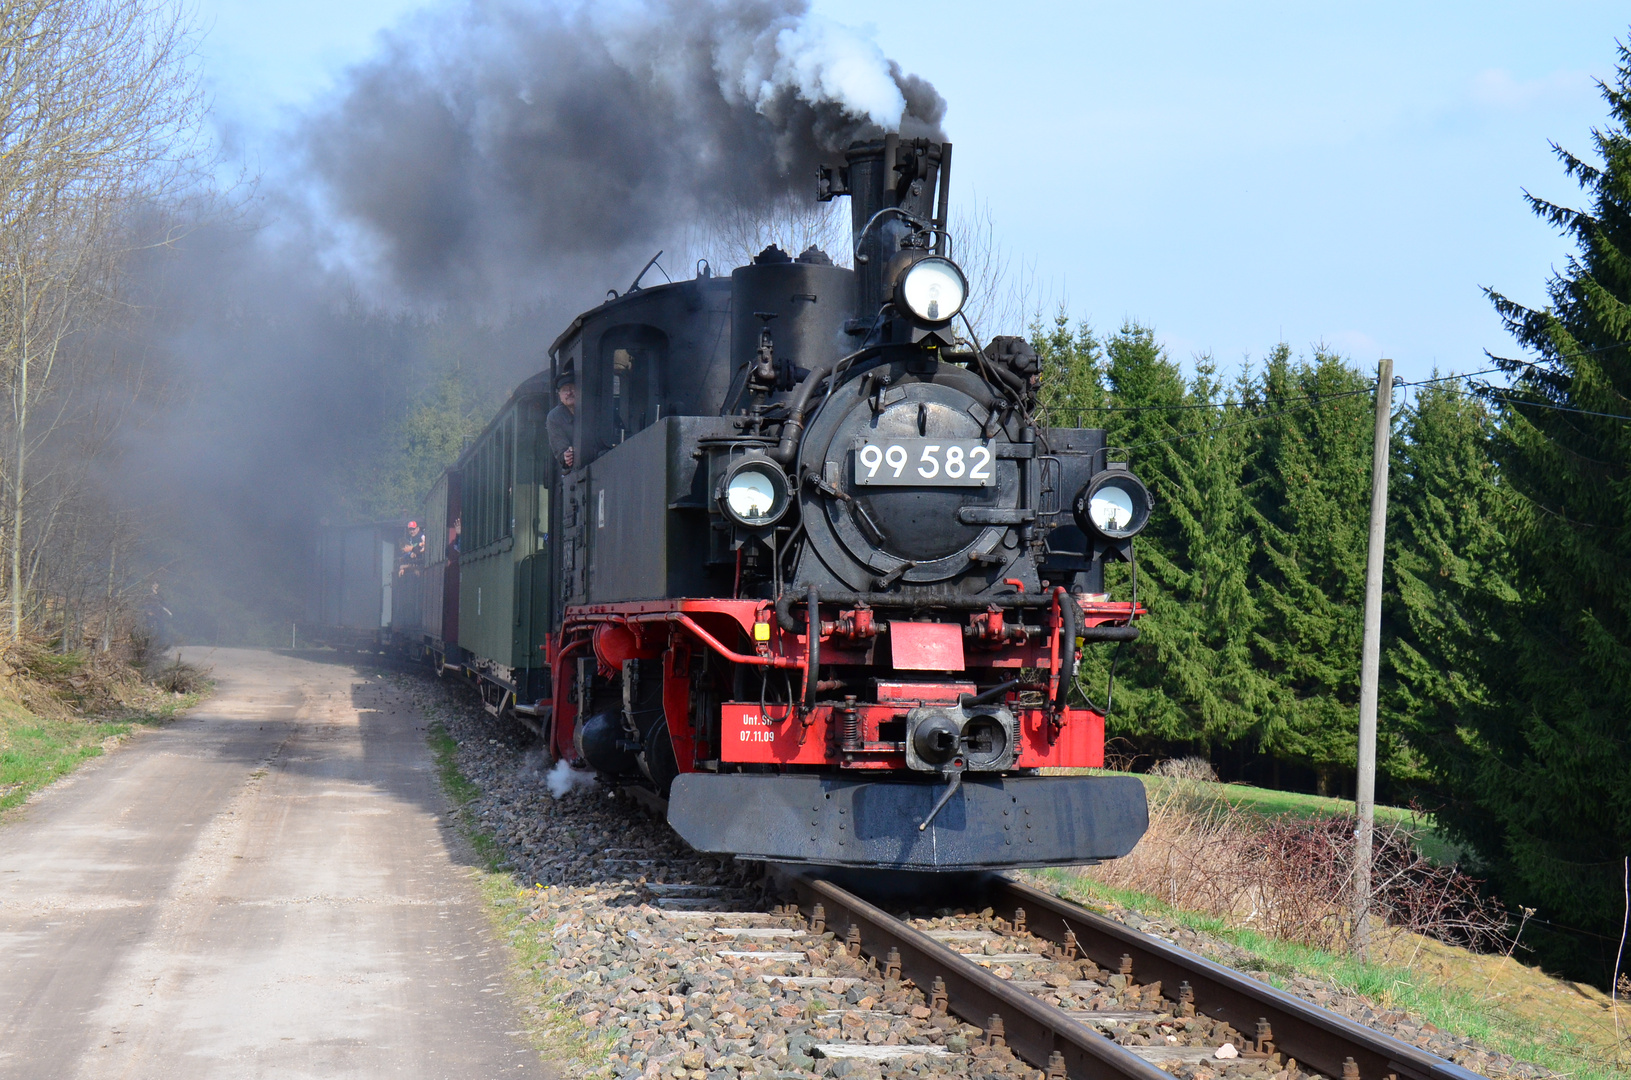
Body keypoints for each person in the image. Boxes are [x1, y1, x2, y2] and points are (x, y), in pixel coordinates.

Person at [546, 365, 576, 470]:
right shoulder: (554, 417)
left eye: (572, 388)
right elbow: (561, 450)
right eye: (564, 390)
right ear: (560, 395)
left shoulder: (593, 407)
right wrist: (566, 456)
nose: (569, 393)